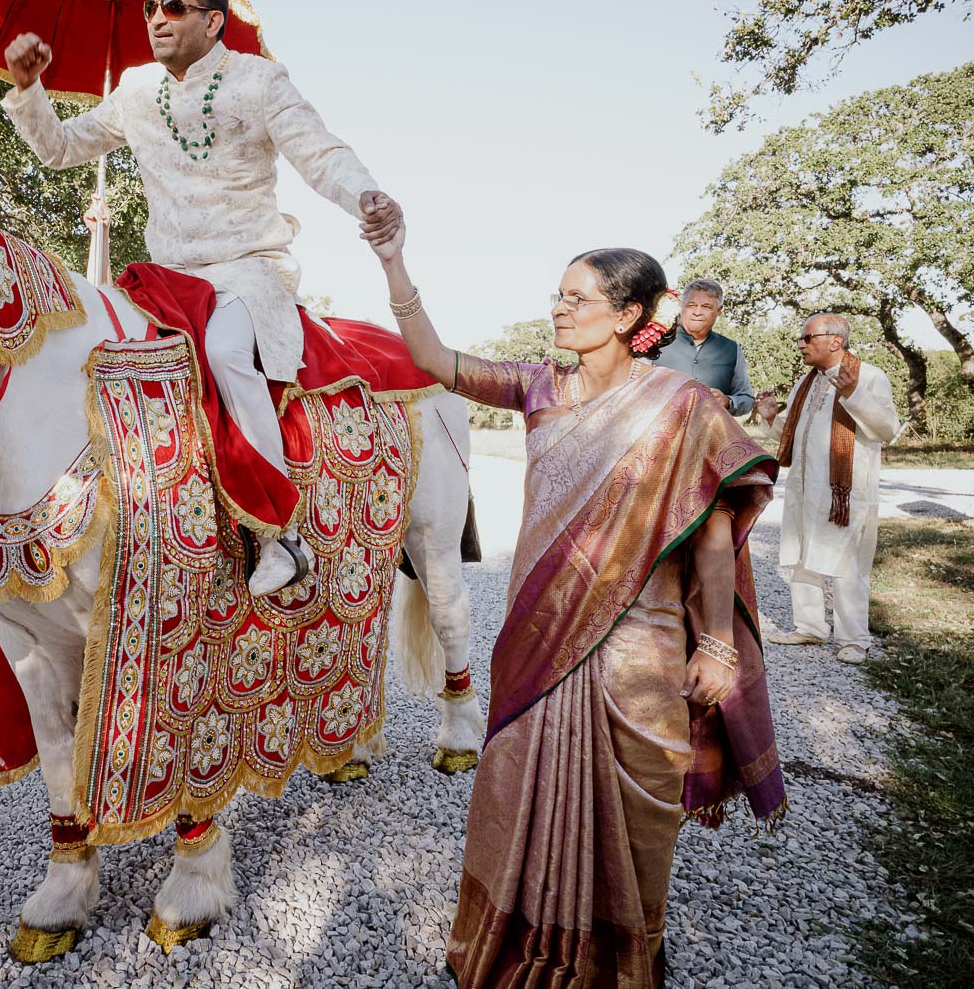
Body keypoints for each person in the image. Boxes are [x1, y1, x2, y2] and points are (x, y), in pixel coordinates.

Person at [366, 217, 785, 986]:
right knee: (512, 784)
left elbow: (717, 531)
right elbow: (430, 358)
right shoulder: (538, 387)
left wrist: (719, 644)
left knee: (632, 812)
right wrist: (394, 260)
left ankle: (622, 959)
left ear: (629, 315)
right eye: (557, 296)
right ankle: (516, 948)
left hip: (642, 648)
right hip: (539, 640)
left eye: (577, 297)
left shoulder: (684, 405)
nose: (559, 309)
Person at [0, 0, 401, 596]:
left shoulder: (261, 82)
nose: (156, 19)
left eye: (174, 7)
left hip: (248, 269)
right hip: (167, 277)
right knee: (98, 353)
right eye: (151, 7)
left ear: (214, 21)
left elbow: (321, 153)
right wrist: (28, 90)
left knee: (223, 350)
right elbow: (60, 150)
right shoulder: (133, 89)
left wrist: (368, 198)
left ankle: (281, 536)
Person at [752, 313, 899, 664]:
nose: (801, 344)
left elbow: (887, 428)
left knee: (848, 563)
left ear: (835, 340)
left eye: (807, 337)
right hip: (804, 485)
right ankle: (810, 627)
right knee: (802, 555)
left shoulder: (869, 376)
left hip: (845, 492)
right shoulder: (807, 380)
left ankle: (854, 639)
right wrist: (772, 416)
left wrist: (854, 394)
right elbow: (790, 431)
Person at [654, 277, 755, 416]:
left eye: (706, 307)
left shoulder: (732, 349)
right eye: (691, 305)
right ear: (681, 307)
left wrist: (728, 402)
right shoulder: (657, 341)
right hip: (660, 435)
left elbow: (747, 398)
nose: (697, 312)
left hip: (712, 436)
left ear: (719, 311)